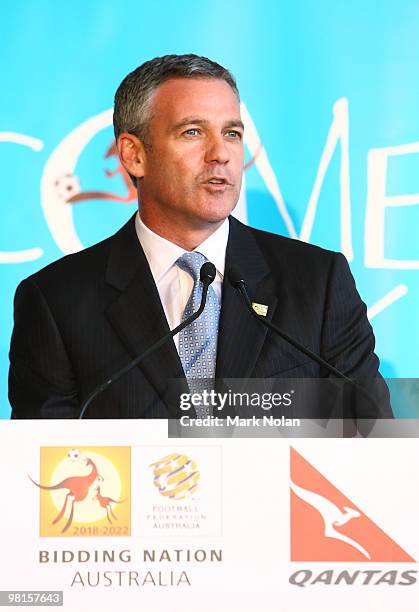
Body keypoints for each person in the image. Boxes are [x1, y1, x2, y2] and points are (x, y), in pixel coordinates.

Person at [9, 54, 392, 419]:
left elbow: (370, 441)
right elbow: (44, 463)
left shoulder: (317, 281)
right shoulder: (57, 301)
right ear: (133, 155)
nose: (220, 154)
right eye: (192, 132)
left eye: (232, 133)